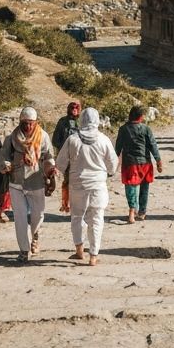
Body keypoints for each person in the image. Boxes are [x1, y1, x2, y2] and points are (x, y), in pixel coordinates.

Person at [56, 107, 118, 266]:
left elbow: (61, 163)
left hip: (78, 185)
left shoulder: (73, 139)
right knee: (97, 220)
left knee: (77, 217)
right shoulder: (104, 139)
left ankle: (79, 250)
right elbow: (113, 164)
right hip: (98, 185)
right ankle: (93, 256)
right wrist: (109, 172)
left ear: (81, 120)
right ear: (97, 120)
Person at [0, 106, 56, 262]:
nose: (28, 127)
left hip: (36, 182)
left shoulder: (43, 137)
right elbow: (2, 154)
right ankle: (24, 250)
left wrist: (50, 170)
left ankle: (35, 236)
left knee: (38, 215)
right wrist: (5, 164)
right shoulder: (12, 138)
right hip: (16, 182)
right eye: (25, 123)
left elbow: (49, 156)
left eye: (31, 123)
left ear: (36, 122)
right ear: (20, 122)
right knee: (20, 217)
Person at [115, 104, 164, 223]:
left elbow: (117, 148)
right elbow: (153, 145)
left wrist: (113, 162)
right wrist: (158, 160)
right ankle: (142, 212)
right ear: (141, 117)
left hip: (130, 163)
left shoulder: (123, 129)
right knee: (144, 188)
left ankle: (132, 210)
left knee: (131, 187)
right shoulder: (146, 129)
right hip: (145, 163)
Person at [52, 100, 82, 213]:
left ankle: (78, 204)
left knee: (79, 181)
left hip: (80, 157)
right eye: (72, 107)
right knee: (67, 181)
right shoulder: (62, 122)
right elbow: (55, 139)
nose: (74, 110)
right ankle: (66, 204)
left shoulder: (83, 122)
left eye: (76, 108)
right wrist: (64, 150)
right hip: (67, 157)